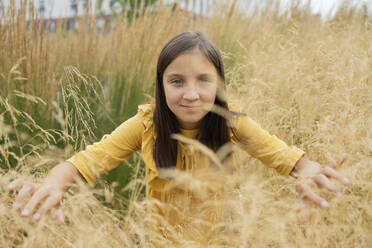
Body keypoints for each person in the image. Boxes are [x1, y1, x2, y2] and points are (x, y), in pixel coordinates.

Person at [8, 31, 350, 244]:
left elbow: (279, 152)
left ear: (218, 84)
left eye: (203, 80)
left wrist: (307, 169)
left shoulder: (230, 122)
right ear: (161, 84)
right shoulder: (146, 125)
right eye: (176, 81)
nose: (191, 94)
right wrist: (54, 182)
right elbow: (86, 161)